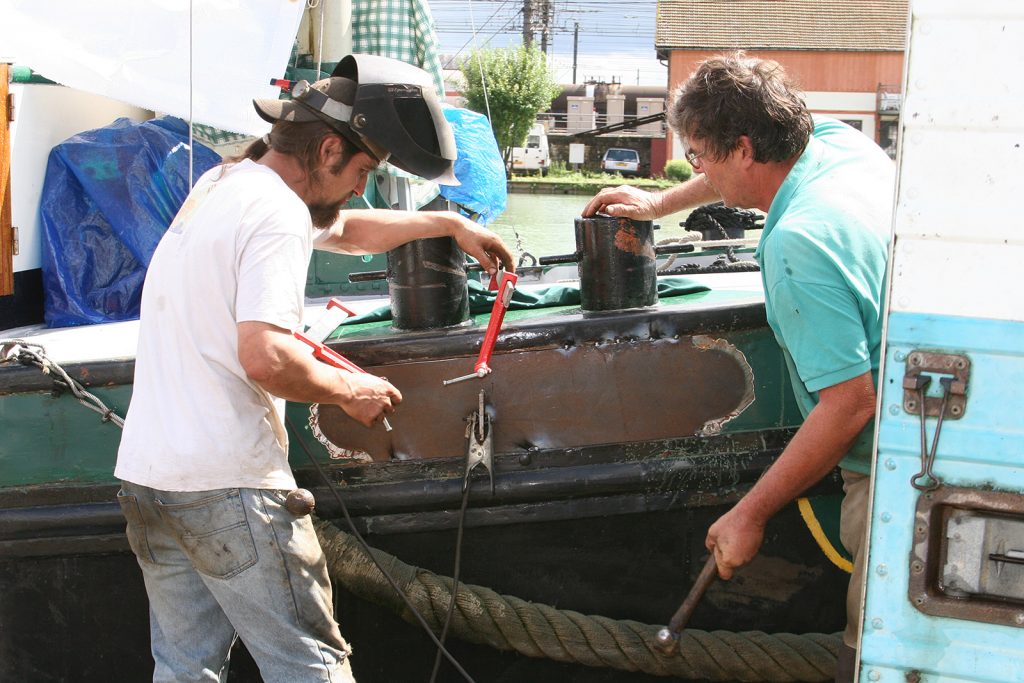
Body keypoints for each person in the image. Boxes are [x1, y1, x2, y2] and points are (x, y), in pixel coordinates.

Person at [114, 54, 514, 682]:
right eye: (362, 169)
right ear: (329, 148)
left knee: (183, 669)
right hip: (228, 484)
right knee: (311, 668)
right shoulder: (275, 214)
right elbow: (266, 356)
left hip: (149, 481)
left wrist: (446, 222)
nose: (362, 185)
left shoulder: (225, 185)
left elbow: (347, 229)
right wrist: (347, 388)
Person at [583, 52, 894, 682]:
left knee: (876, 653)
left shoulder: (797, 242)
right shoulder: (840, 145)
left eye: (699, 154)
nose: (698, 167)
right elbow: (733, 173)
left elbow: (851, 403)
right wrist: (660, 202)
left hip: (892, 475)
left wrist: (748, 512)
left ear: (745, 148)